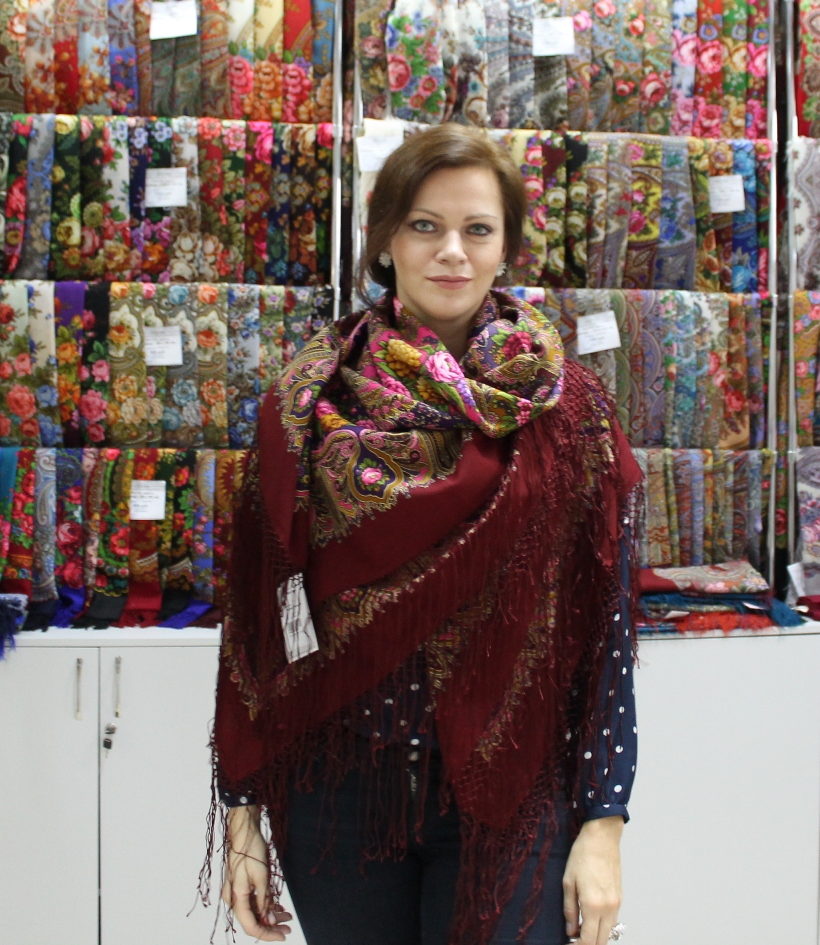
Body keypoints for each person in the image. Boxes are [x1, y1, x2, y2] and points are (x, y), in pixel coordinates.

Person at [212, 124, 641, 945]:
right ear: (385, 240)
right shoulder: (307, 403)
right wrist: (243, 810)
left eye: (476, 228)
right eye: (424, 225)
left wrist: (602, 821)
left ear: (505, 246)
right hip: (337, 791)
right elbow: (266, 610)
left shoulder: (568, 412)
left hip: (512, 785)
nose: (451, 251)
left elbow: (603, 627)